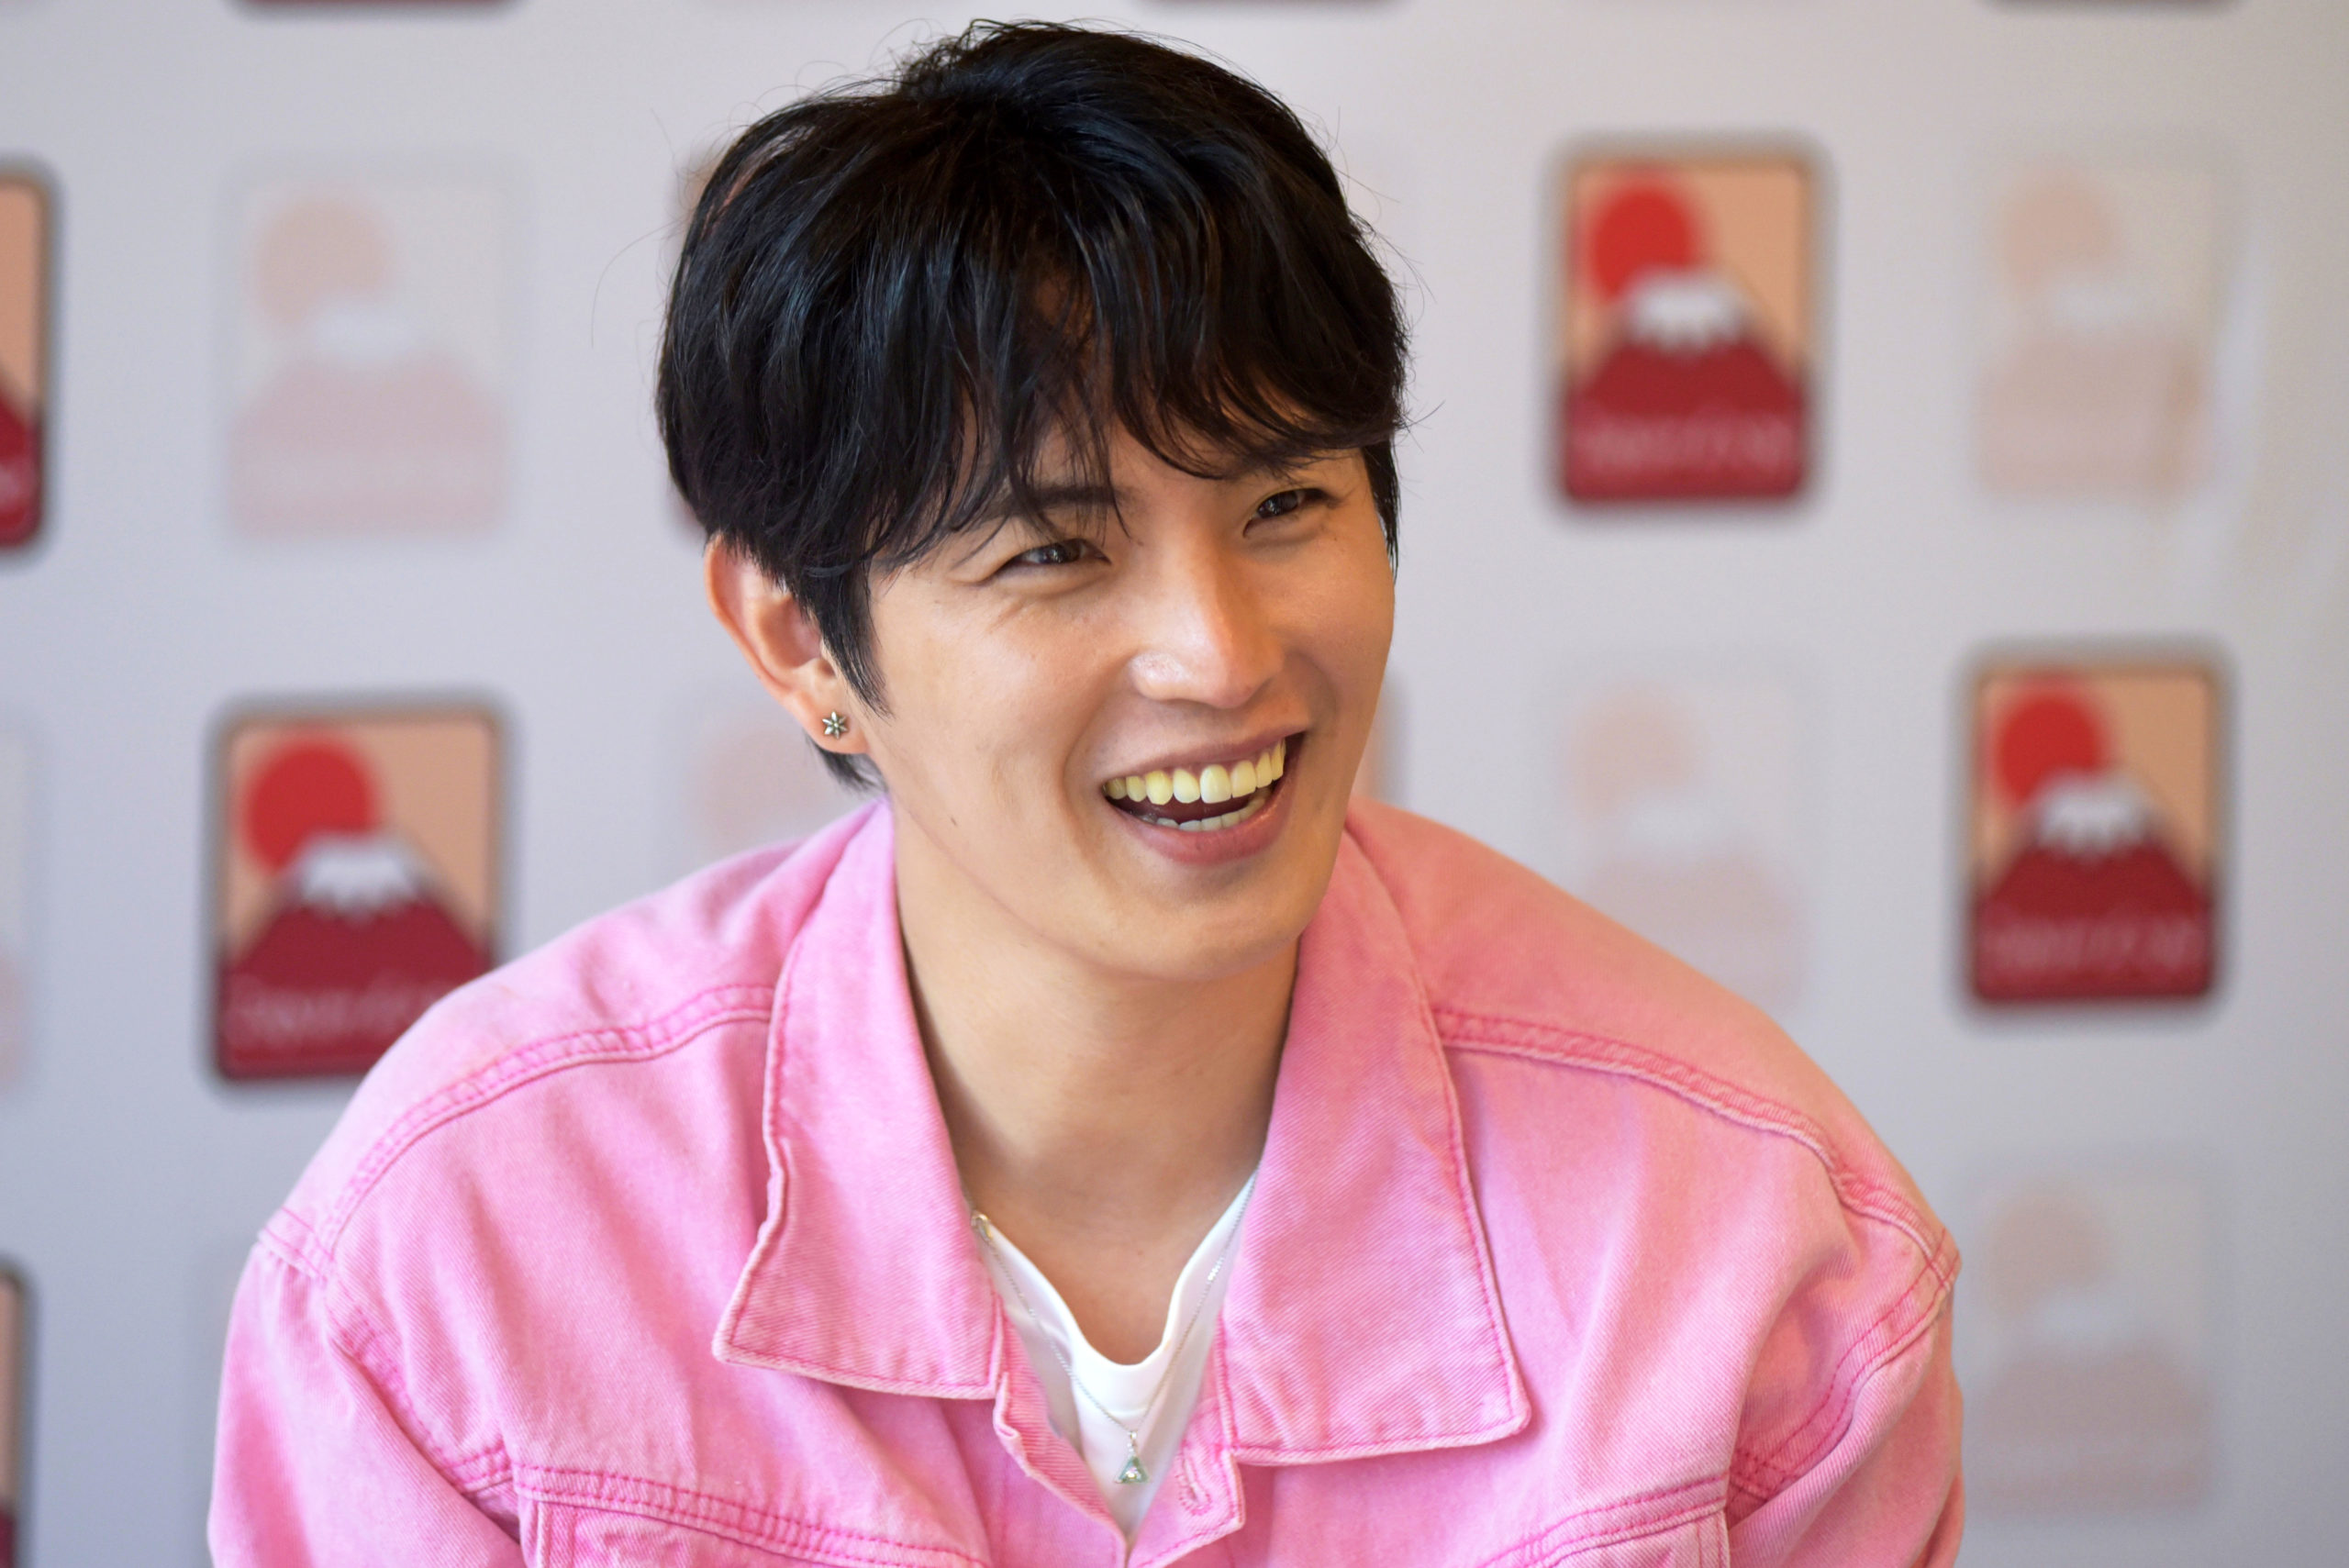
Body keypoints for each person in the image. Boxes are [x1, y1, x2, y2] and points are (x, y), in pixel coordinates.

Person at [209, 22, 1962, 1564]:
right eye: (1055, 548)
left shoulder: (1748, 1233)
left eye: (1285, 504)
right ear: (800, 636)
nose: (1220, 653)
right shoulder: (458, 1249)